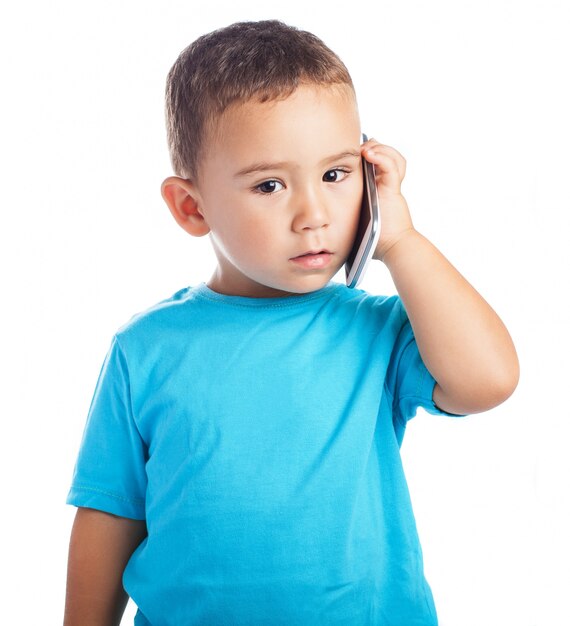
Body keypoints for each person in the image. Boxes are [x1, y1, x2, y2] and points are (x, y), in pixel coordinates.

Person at [63, 19, 519, 626]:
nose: (314, 215)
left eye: (335, 175)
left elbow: (488, 381)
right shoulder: (145, 348)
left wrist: (401, 240)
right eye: (271, 184)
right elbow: (111, 511)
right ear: (191, 207)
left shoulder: (376, 331)